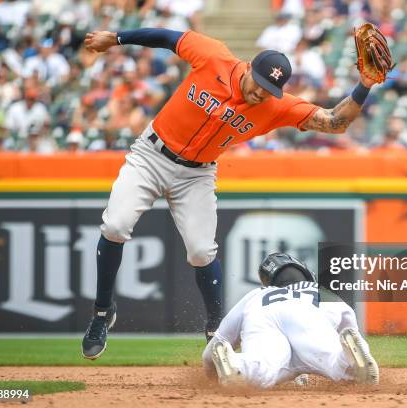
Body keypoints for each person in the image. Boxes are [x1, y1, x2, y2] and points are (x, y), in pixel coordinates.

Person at [81, 26, 383, 359]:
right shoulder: (213, 56)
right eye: (260, 83)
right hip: (152, 155)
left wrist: (364, 85)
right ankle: (101, 312)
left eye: (271, 90)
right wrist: (118, 38)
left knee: (200, 251)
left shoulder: (275, 107)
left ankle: (216, 328)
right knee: (115, 226)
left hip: (196, 174)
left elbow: (334, 122)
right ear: (249, 68)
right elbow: (168, 38)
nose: (261, 94)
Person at [203, 253, 379, 388]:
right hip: (307, 316)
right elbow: (350, 329)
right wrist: (348, 345)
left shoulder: (257, 294)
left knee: (262, 365)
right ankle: (350, 365)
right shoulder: (322, 291)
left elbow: (218, 342)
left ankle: (237, 365)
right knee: (332, 360)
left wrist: (212, 370)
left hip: (265, 315)